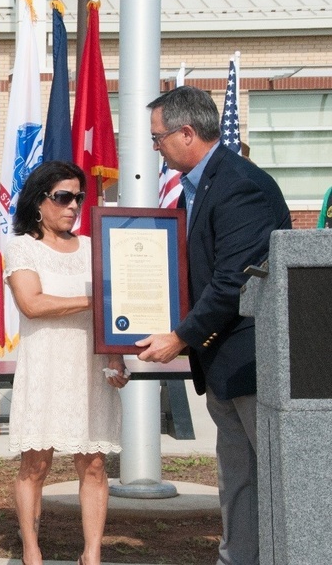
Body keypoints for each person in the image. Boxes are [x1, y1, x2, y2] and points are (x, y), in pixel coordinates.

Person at [136, 86, 291, 565]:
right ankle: (238, 558)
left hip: (253, 362)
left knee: (274, 478)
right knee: (238, 477)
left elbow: (231, 282)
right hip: (223, 362)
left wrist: (181, 336)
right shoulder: (197, 186)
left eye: (158, 137)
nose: (155, 147)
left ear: (187, 132)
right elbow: (187, 273)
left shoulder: (240, 184)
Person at [3, 160, 129, 565]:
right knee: (35, 464)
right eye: (63, 197)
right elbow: (32, 303)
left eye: (78, 196)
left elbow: (115, 317)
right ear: (39, 201)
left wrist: (117, 356)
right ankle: (31, 549)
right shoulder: (22, 247)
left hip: (90, 368)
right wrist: (95, 302)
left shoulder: (95, 246)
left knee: (93, 464)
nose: (73, 205)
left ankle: (91, 554)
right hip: (46, 367)